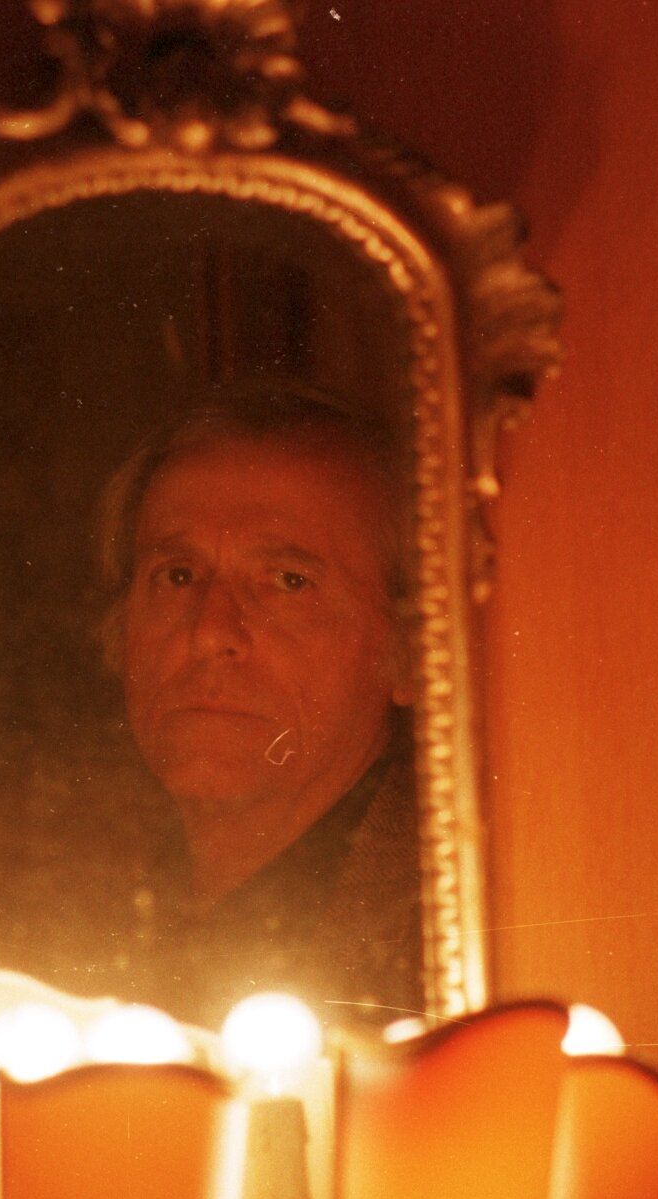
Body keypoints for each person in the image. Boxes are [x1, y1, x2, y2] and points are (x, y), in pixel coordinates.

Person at [68, 387, 422, 1029]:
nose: (210, 631)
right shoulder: (72, 908)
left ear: (406, 651)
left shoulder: (446, 941)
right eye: (178, 576)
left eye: (289, 582)